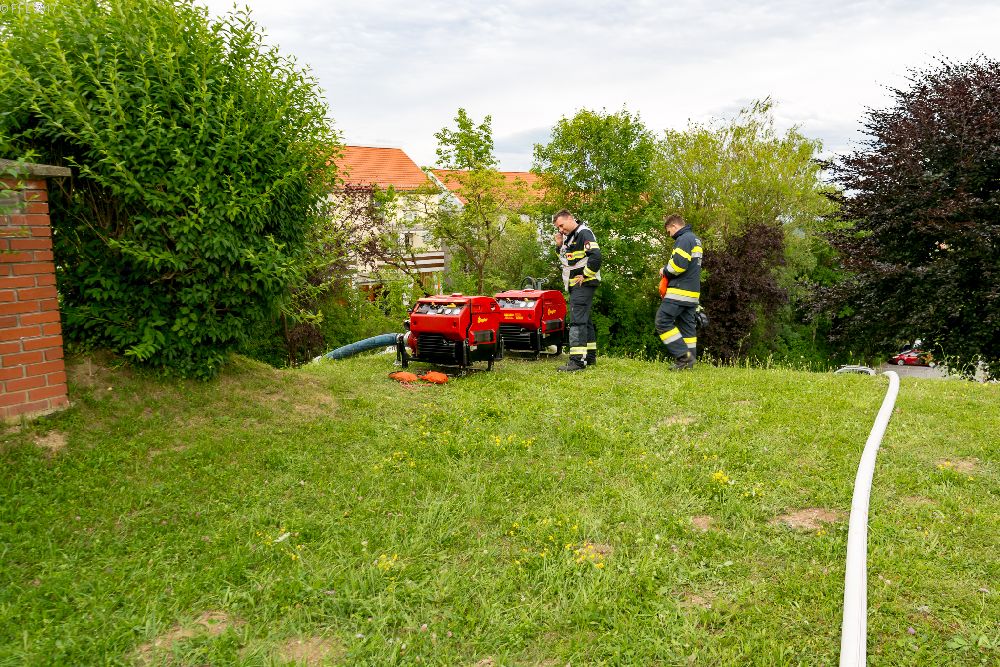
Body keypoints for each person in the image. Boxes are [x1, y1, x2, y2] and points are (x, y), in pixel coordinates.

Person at [553, 209, 602, 371]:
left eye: (561, 225)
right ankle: (589, 357)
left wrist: (585, 275)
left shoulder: (583, 233)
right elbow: (566, 261)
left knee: (577, 321)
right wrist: (559, 245)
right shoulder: (571, 237)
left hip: (583, 284)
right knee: (585, 320)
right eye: (558, 228)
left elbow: (596, 256)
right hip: (577, 285)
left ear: (570, 218)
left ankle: (577, 361)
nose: (560, 230)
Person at [656, 213, 702, 370]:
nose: (670, 235)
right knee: (687, 328)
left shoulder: (683, 239)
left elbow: (678, 266)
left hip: (680, 292)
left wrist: (664, 270)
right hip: (692, 294)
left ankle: (683, 357)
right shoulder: (695, 239)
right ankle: (689, 363)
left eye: (669, 231)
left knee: (662, 321)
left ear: (674, 226)